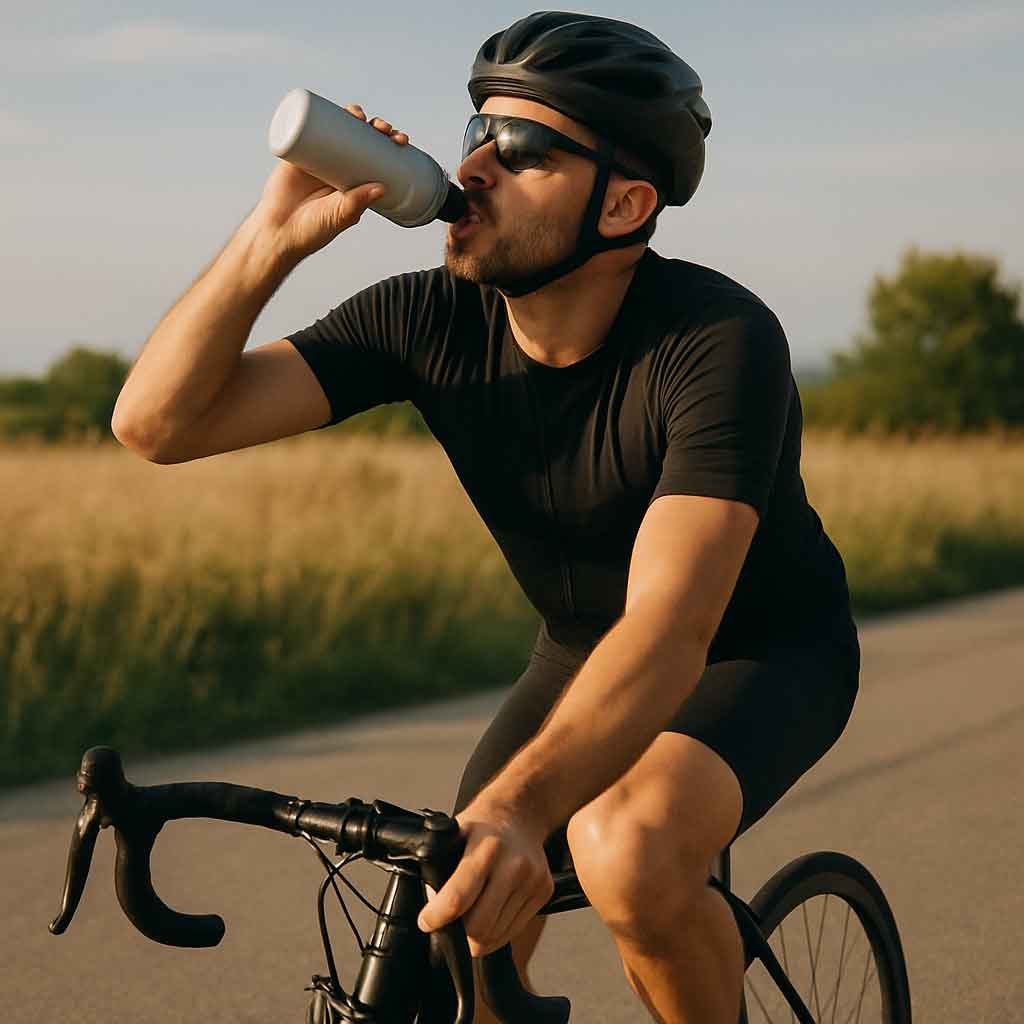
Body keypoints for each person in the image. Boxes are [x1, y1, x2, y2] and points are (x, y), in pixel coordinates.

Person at [112, 12, 860, 1024]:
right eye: (474, 134)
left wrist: (521, 805)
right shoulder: (424, 317)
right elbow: (156, 423)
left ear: (625, 202)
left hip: (759, 652)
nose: (473, 168)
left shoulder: (717, 341)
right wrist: (270, 235)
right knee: (460, 913)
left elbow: (673, 625)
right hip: (578, 649)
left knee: (624, 850)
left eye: (522, 150)